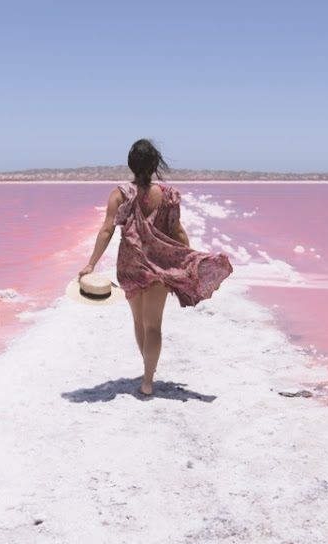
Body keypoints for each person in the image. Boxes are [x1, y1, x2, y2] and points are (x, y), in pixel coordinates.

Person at [78, 139, 234, 396]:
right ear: (154, 165)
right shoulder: (168, 195)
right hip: (160, 267)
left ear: (131, 163)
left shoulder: (120, 194)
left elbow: (106, 230)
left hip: (130, 266)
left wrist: (91, 263)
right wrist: (188, 260)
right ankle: (148, 380)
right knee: (154, 324)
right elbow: (177, 232)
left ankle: (147, 368)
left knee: (139, 321)